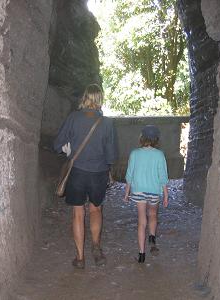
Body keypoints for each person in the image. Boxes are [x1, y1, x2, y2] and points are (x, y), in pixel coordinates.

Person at [54, 84, 117, 269]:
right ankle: (96, 248)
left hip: (77, 173)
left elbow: (57, 144)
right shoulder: (107, 123)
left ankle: (80, 258)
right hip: (98, 173)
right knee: (96, 210)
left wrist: (67, 149)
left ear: (85, 98)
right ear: (100, 99)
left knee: (78, 213)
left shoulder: (73, 118)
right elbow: (111, 156)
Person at [124, 125, 169, 263]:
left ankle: (141, 254)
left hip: (138, 191)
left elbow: (129, 175)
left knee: (141, 221)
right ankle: (152, 236)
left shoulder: (134, 153)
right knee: (153, 214)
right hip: (154, 190)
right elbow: (163, 177)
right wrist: (166, 196)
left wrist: (126, 193)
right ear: (156, 139)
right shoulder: (159, 154)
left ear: (141, 137)